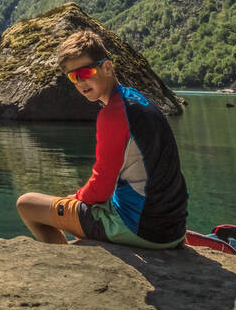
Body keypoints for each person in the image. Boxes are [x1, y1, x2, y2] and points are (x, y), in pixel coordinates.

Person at [15, 29, 188, 248]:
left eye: (85, 72)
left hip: (140, 229)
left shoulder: (113, 114)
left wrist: (75, 198)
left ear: (107, 67)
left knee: (27, 204)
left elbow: (101, 188)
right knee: (77, 206)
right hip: (173, 228)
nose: (80, 82)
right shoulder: (137, 100)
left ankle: (65, 260)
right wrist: (79, 199)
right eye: (73, 77)